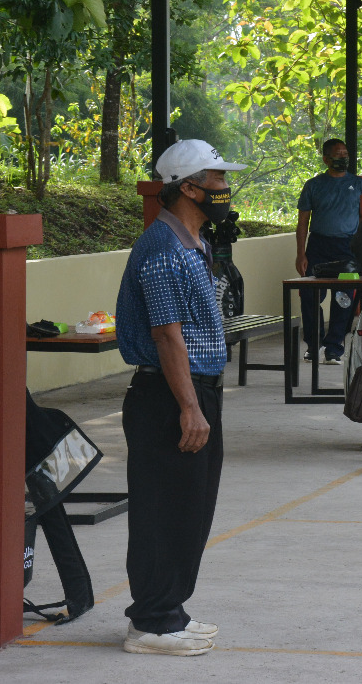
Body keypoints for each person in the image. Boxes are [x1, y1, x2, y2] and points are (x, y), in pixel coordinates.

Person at [115, 139, 247, 655]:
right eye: (218, 179)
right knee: (164, 511)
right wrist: (190, 407)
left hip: (194, 390)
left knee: (189, 510)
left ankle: (169, 610)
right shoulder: (164, 249)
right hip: (170, 396)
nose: (225, 188)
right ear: (189, 188)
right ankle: (151, 623)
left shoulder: (192, 242)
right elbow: (167, 335)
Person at [296, 138, 362, 364]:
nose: (343, 158)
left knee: (343, 299)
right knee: (310, 296)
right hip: (318, 246)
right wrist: (301, 254)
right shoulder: (313, 185)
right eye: (338, 154)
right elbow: (302, 222)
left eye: (345, 154)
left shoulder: (358, 185)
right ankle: (313, 345)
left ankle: (334, 348)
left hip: (347, 248)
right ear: (326, 159)